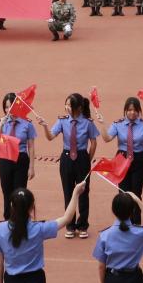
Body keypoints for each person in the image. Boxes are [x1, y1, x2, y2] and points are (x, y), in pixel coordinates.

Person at [37, 93, 98, 238]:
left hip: (82, 157)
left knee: (83, 192)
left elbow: (94, 142)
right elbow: (50, 137)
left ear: (78, 107)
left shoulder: (88, 122)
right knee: (68, 192)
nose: (67, 108)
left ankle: (82, 225)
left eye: (70, 105)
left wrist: (88, 159)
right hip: (66, 158)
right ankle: (70, 225)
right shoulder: (62, 121)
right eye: (66, 104)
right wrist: (45, 126)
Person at [99, 97, 143, 218]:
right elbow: (107, 139)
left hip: (138, 160)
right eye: (129, 110)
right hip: (122, 159)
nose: (132, 112)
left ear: (139, 111)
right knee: (123, 194)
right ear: (125, 111)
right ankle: (124, 222)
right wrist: (102, 124)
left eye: (135, 110)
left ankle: (136, 223)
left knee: (136, 194)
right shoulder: (117, 124)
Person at [0, 92, 37, 219]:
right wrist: (1, 126)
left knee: (19, 192)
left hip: (21, 160)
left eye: (11, 107)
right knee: (6, 191)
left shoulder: (27, 123)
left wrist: (32, 167)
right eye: (6, 107)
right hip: (5, 159)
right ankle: (8, 218)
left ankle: (20, 218)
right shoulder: (1, 122)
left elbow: (31, 146)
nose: (8, 110)